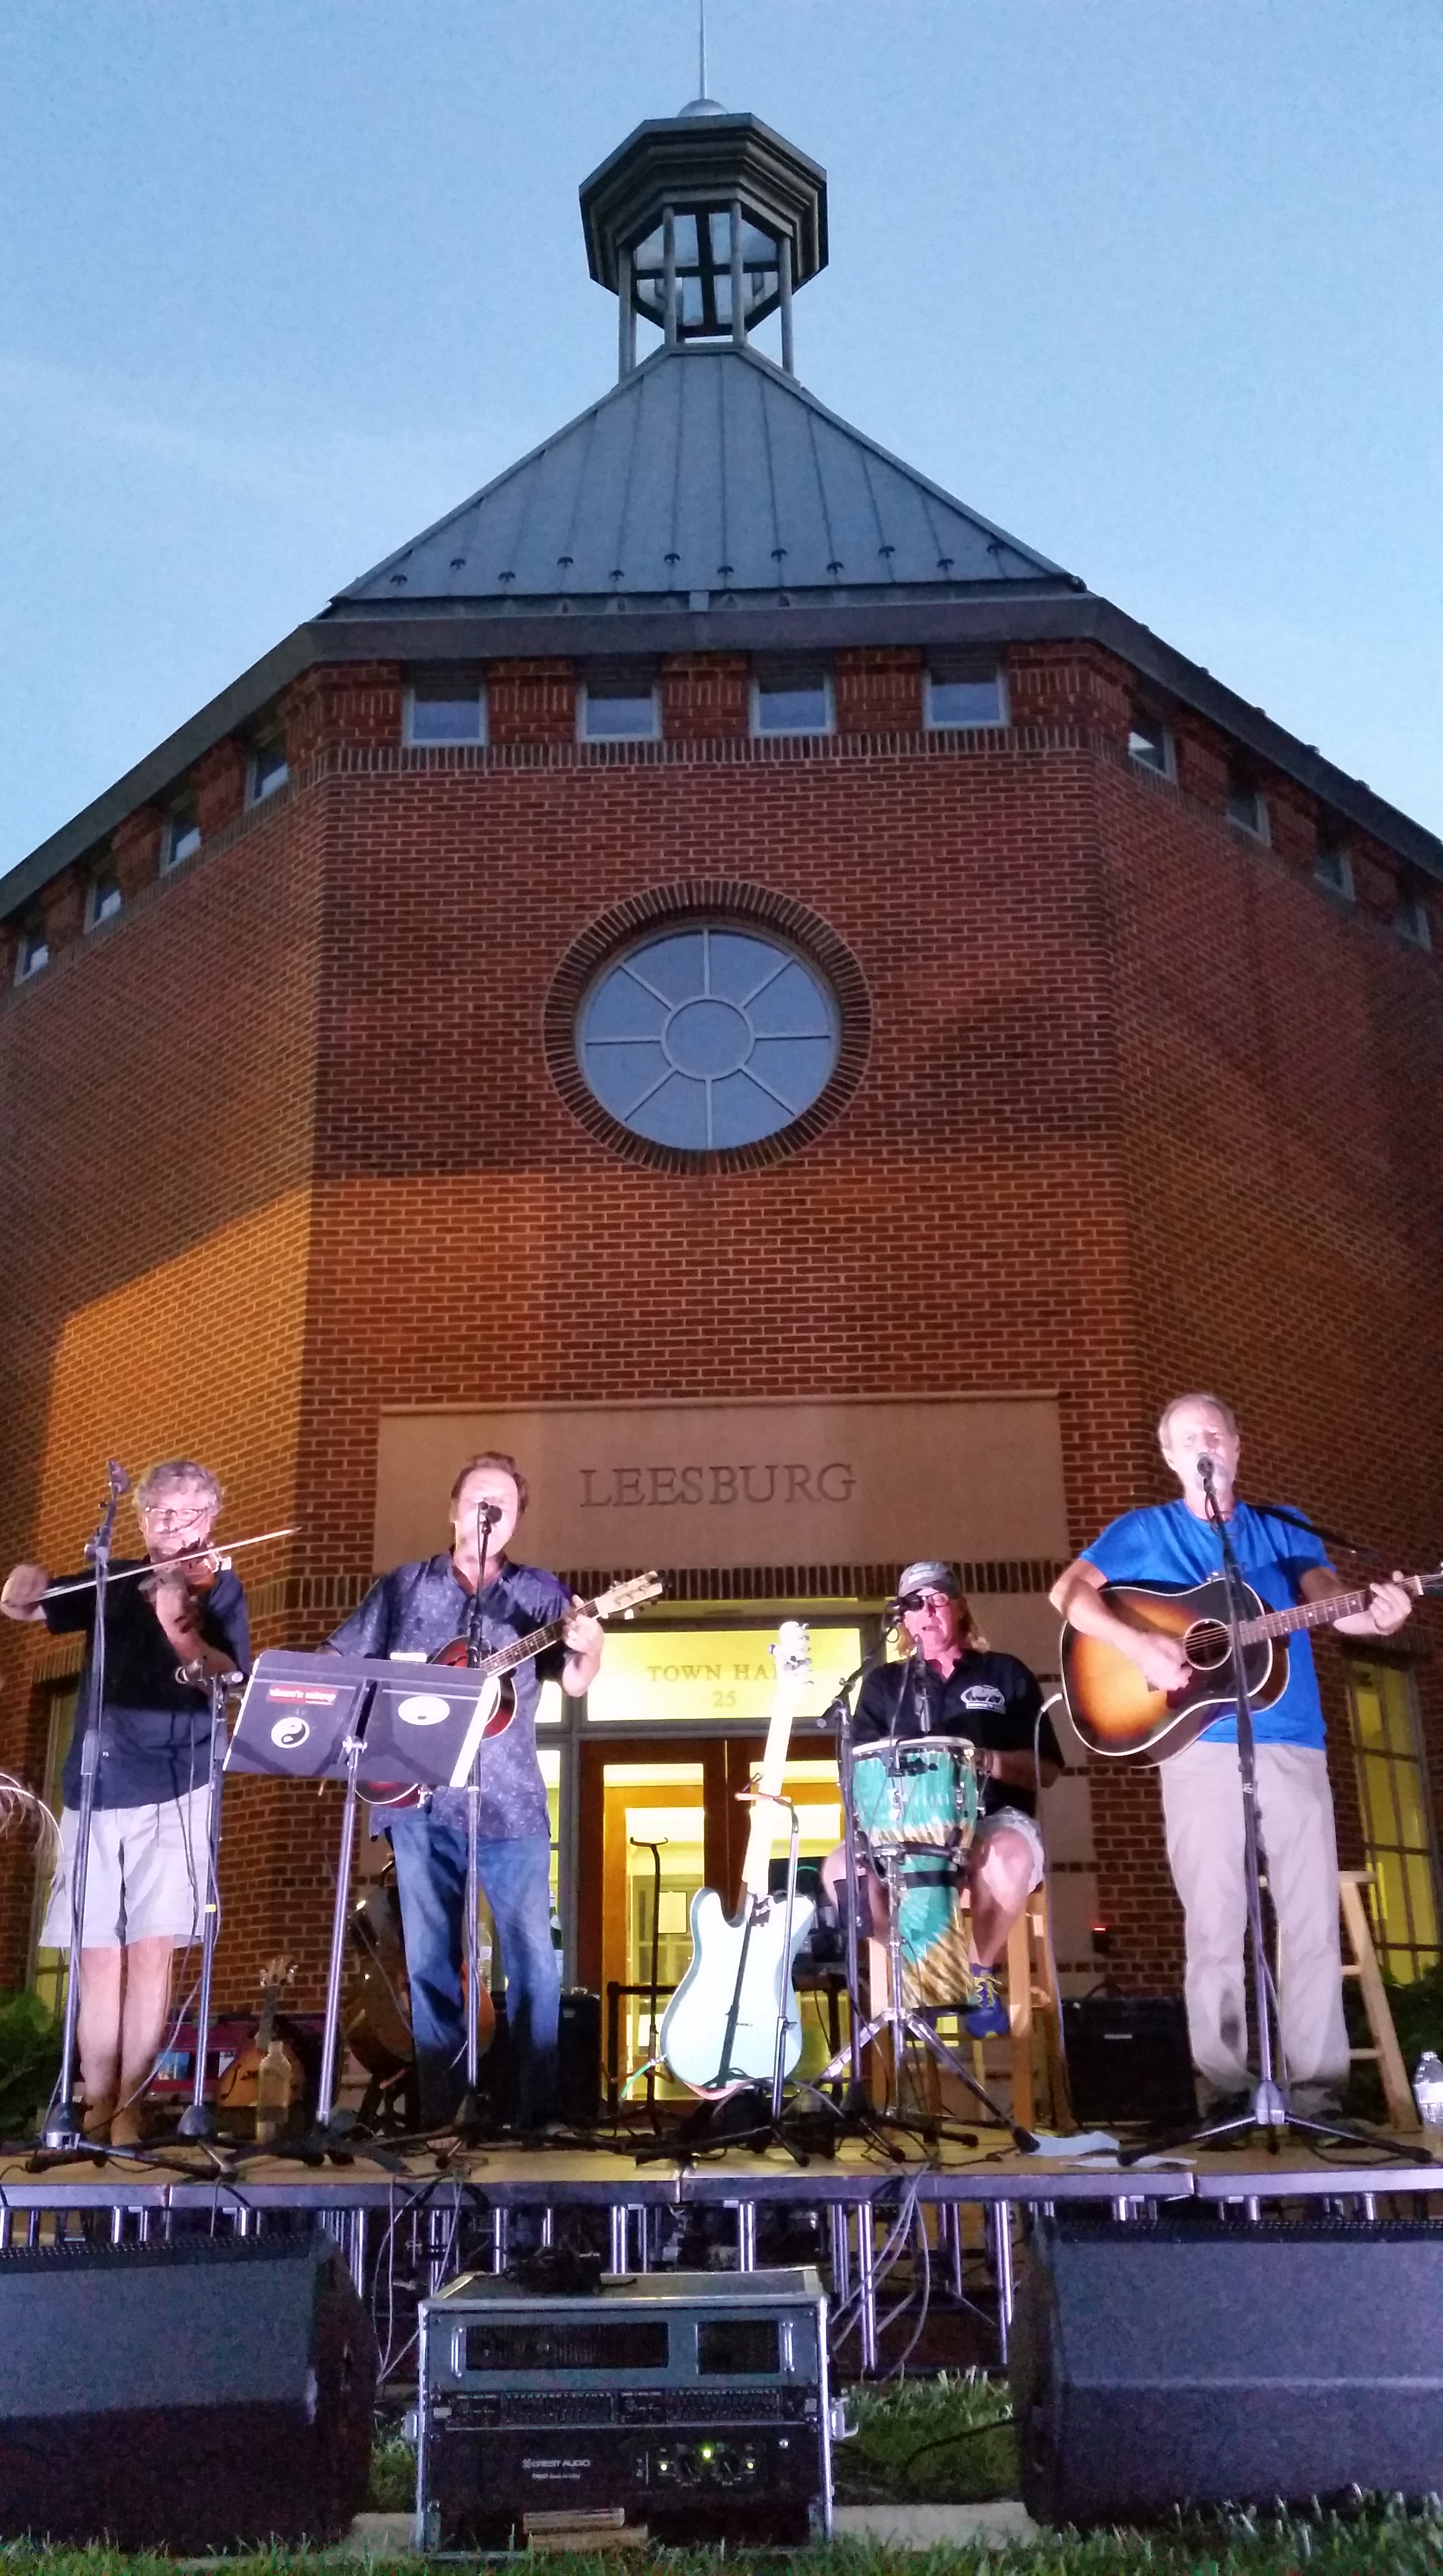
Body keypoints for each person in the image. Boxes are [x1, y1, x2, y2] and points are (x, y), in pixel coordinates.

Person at [1051, 1391, 1413, 2115]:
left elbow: (1327, 1597)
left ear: (1238, 1447)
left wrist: (1374, 1616)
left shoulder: (1285, 1528)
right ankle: (1223, 2089)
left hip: (1293, 1741)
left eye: (1215, 1435)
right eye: (1189, 1438)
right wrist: (1139, 1644)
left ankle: (1317, 2092)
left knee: (1311, 1920)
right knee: (1215, 1922)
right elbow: (1069, 1595)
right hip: (1198, 1747)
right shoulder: (1142, 1531)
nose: (1204, 1447)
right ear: (1169, 1455)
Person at [327, 1451, 603, 2131]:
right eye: (480, 1497)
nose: (490, 1510)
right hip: (419, 1802)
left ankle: (537, 2109)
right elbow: (338, 1662)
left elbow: (574, 1680)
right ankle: (444, 2110)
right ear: (453, 1510)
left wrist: (592, 1644)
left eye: (504, 1503)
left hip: (511, 1802)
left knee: (534, 1958)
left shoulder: (538, 1594)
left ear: (516, 1521)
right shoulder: (403, 1589)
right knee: (431, 1960)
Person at [0, 1459, 248, 2146]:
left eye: (188, 1512)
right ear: (141, 1519)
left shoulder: (220, 1588)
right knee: (97, 1954)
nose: (174, 1524)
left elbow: (230, 1678)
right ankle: (93, 2100)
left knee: (150, 1950)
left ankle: (131, 2106)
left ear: (211, 1519)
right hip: (97, 1783)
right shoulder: (113, 1578)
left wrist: (180, 1629)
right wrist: (17, 1588)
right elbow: (28, 1606)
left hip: (174, 1783)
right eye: (160, 1512)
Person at [823, 1562, 1061, 2037]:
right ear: (904, 1619)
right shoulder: (884, 1685)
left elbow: (1047, 1769)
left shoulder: (1005, 1673)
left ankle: (976, 1972)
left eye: (937, 1600)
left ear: (960, 1608)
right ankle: (917, 1967)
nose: (928, 1613)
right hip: (904, 1829)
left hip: (989, 1820)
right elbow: (858, 1770)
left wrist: (987, 1761)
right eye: (916, 1605)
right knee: (839, 1872)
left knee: (1010, 1856)